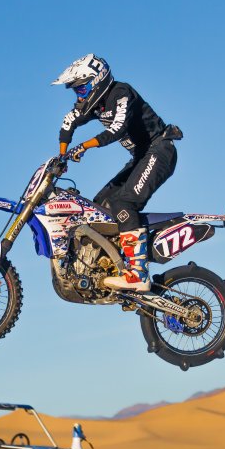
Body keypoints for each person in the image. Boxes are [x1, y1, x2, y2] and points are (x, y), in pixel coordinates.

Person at [52, 53, 183, 292]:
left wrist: (84, 146)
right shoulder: (96, 104)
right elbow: (69, 121)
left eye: (81, 89)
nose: (79, 96)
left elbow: (117, 129)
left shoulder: (121, 93)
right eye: (76, 91)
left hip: (160, 150)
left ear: (96, 81)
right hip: (141, 157)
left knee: (124, 202)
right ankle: (110, 266)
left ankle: (138, 273)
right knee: (98, 207)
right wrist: (62, 156)